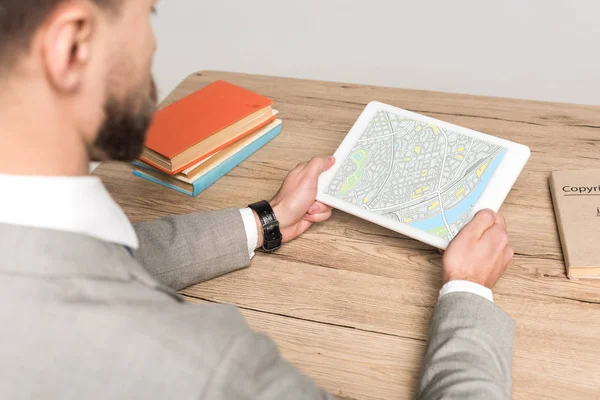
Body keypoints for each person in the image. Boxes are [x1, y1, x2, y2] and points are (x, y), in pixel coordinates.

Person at [0, 1, 515, 399]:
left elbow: (81, 261)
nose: (152, 42)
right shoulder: (204, 366)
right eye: (146, 13)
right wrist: (468, 295)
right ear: (71, 48)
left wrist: (262, 221)